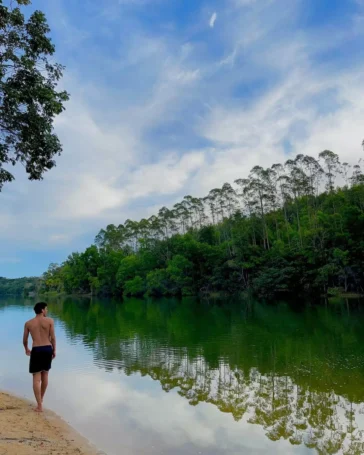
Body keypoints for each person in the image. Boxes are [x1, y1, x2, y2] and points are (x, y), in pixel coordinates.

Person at [23, 302, 56, 412]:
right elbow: (53, 338)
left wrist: (26, 349)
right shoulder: (50, 321)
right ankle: (41, 399)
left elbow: (25, 340)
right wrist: (54, 350)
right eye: (46, 309)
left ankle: (39, 405)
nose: (47, 311)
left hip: (36, 350)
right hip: (47, 348)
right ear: (42, 310)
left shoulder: (28, 323)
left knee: (36, 379)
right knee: (45, 374)